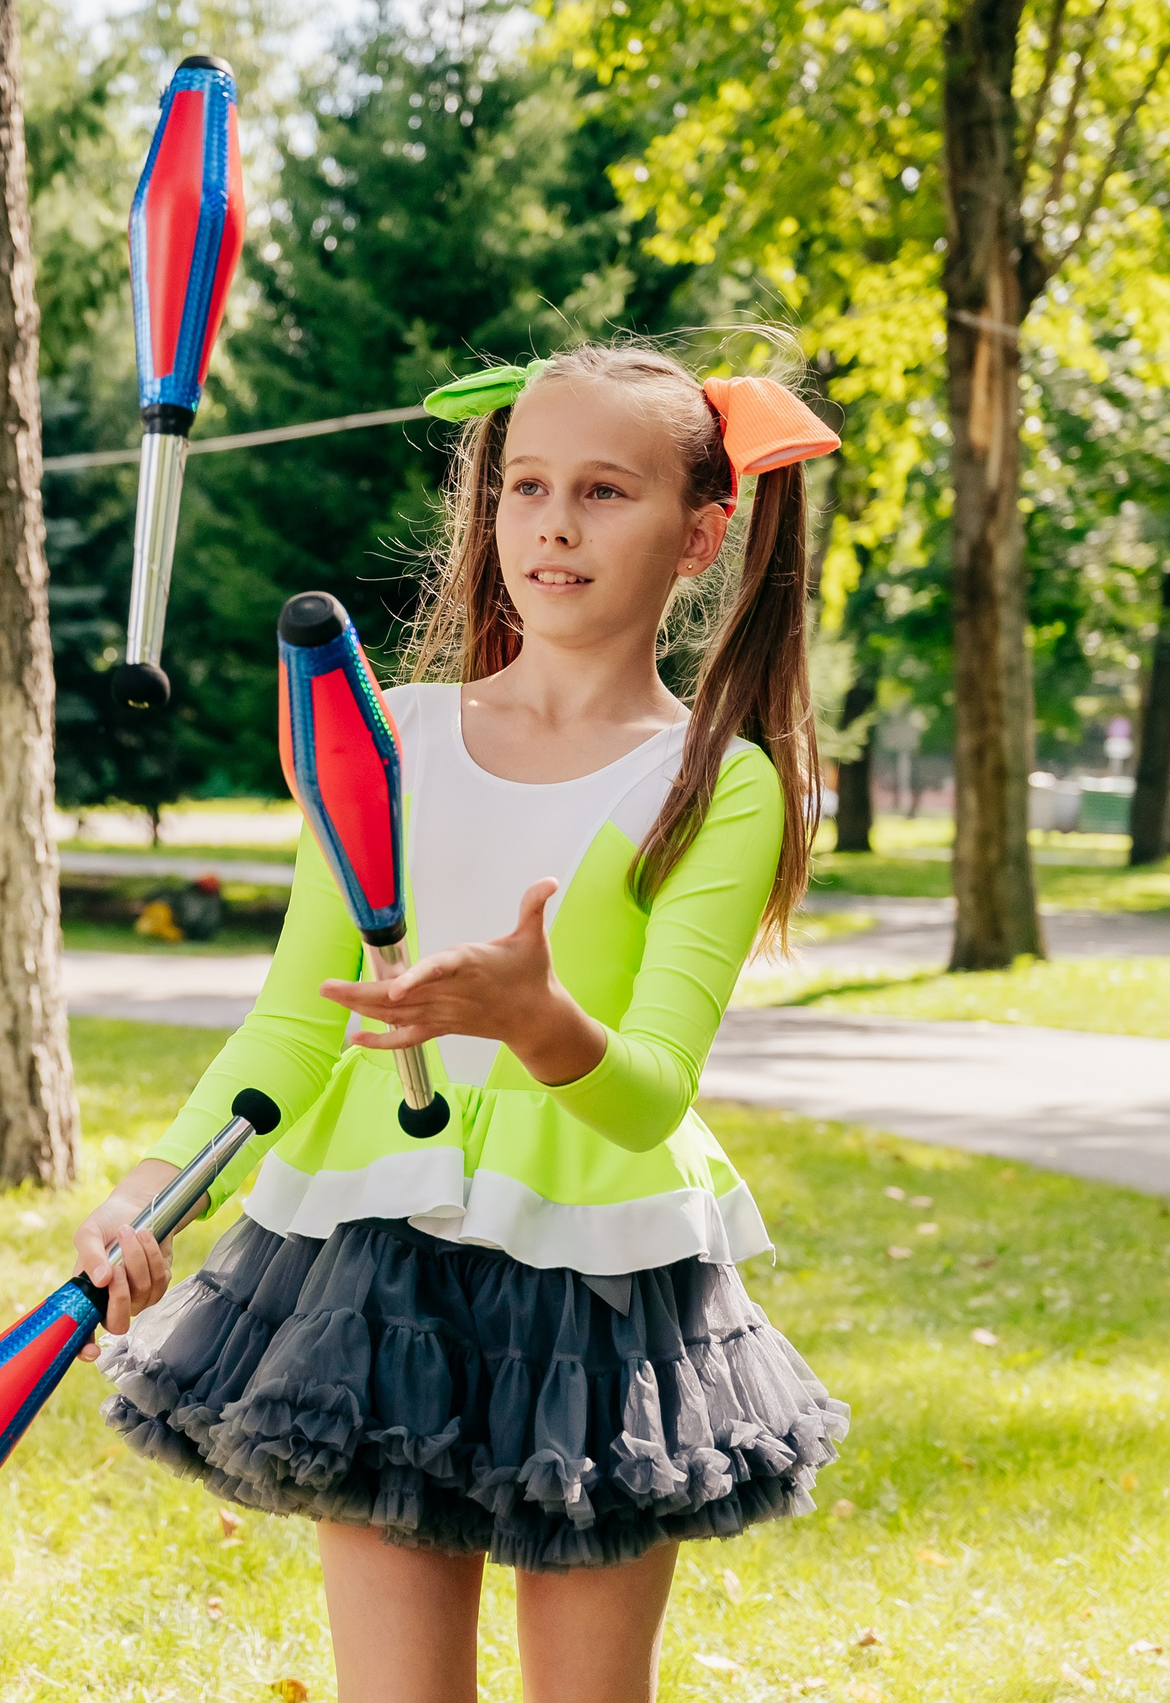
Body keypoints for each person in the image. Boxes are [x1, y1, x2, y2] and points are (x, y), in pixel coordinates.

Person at [73, 343, 850, 1703]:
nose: (553, 523)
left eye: (606, 491)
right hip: (375, 1282)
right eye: (527, 486)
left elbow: (647, 1092)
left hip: (603, 1297)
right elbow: (294, 1030)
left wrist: (535, 1017)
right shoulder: (387, 740)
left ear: (700, 535)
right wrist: (156, 1192)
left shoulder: (718, 788)